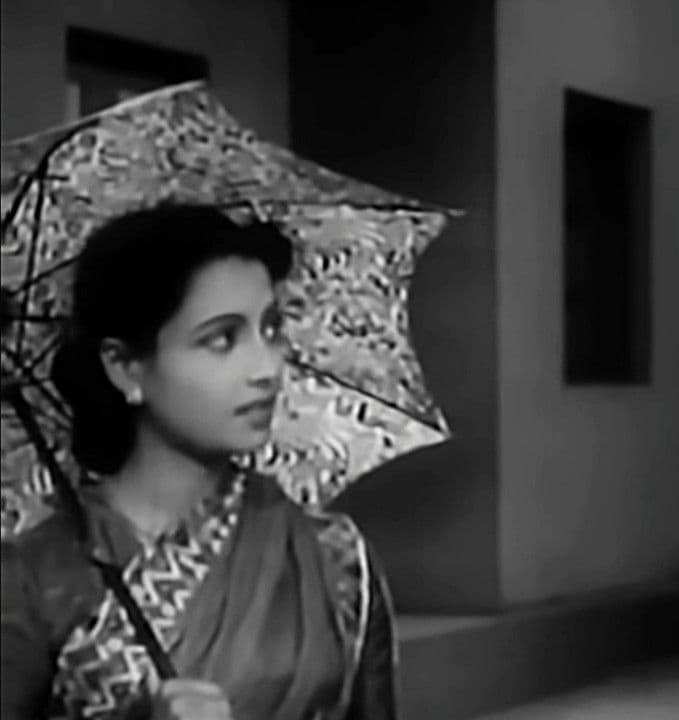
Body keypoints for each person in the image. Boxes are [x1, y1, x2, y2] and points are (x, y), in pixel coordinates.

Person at [0, 205, 397, 720]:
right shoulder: (38, 574)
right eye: (222, 339)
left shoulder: (333, 555)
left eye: (271, 330)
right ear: (125, 368)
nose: (267, 368)